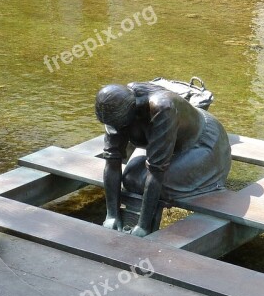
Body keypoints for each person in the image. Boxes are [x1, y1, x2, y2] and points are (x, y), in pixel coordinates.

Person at [95, 83, 231, 237]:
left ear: (134, 112)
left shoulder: (162, 108)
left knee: (141, 181)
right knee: (130, 178)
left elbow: (156, 171)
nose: (115, 130)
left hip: (203, 144)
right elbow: (112, 162)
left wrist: (143, 227)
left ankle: (207, 178)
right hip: (172, 141)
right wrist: (111, 215)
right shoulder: (112, 109)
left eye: (120, 125)